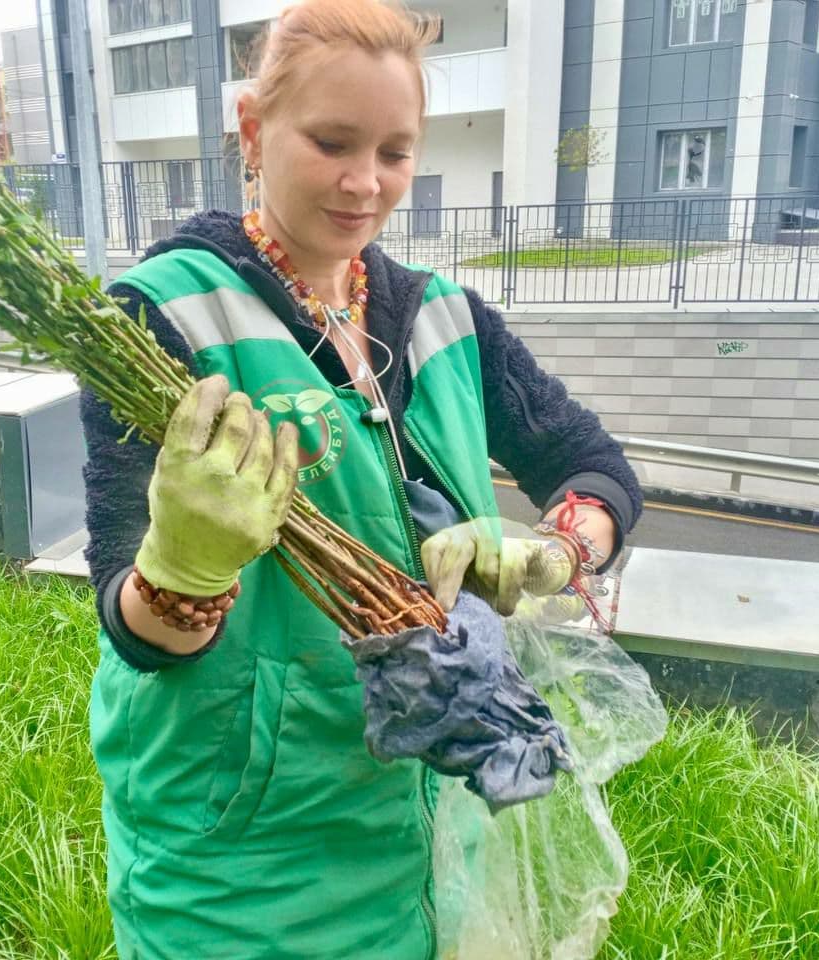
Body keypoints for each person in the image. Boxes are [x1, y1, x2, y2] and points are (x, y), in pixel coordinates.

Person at [80, 1, 643, 956]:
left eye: (395, 151)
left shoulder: (445, 316)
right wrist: (182, 571)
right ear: (254, 131)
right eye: (332, 141)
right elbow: (132, 628)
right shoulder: (160, 316)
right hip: (240, 847)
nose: (364, 182)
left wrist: (554, 551)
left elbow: (598, 470)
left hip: (434, 830)